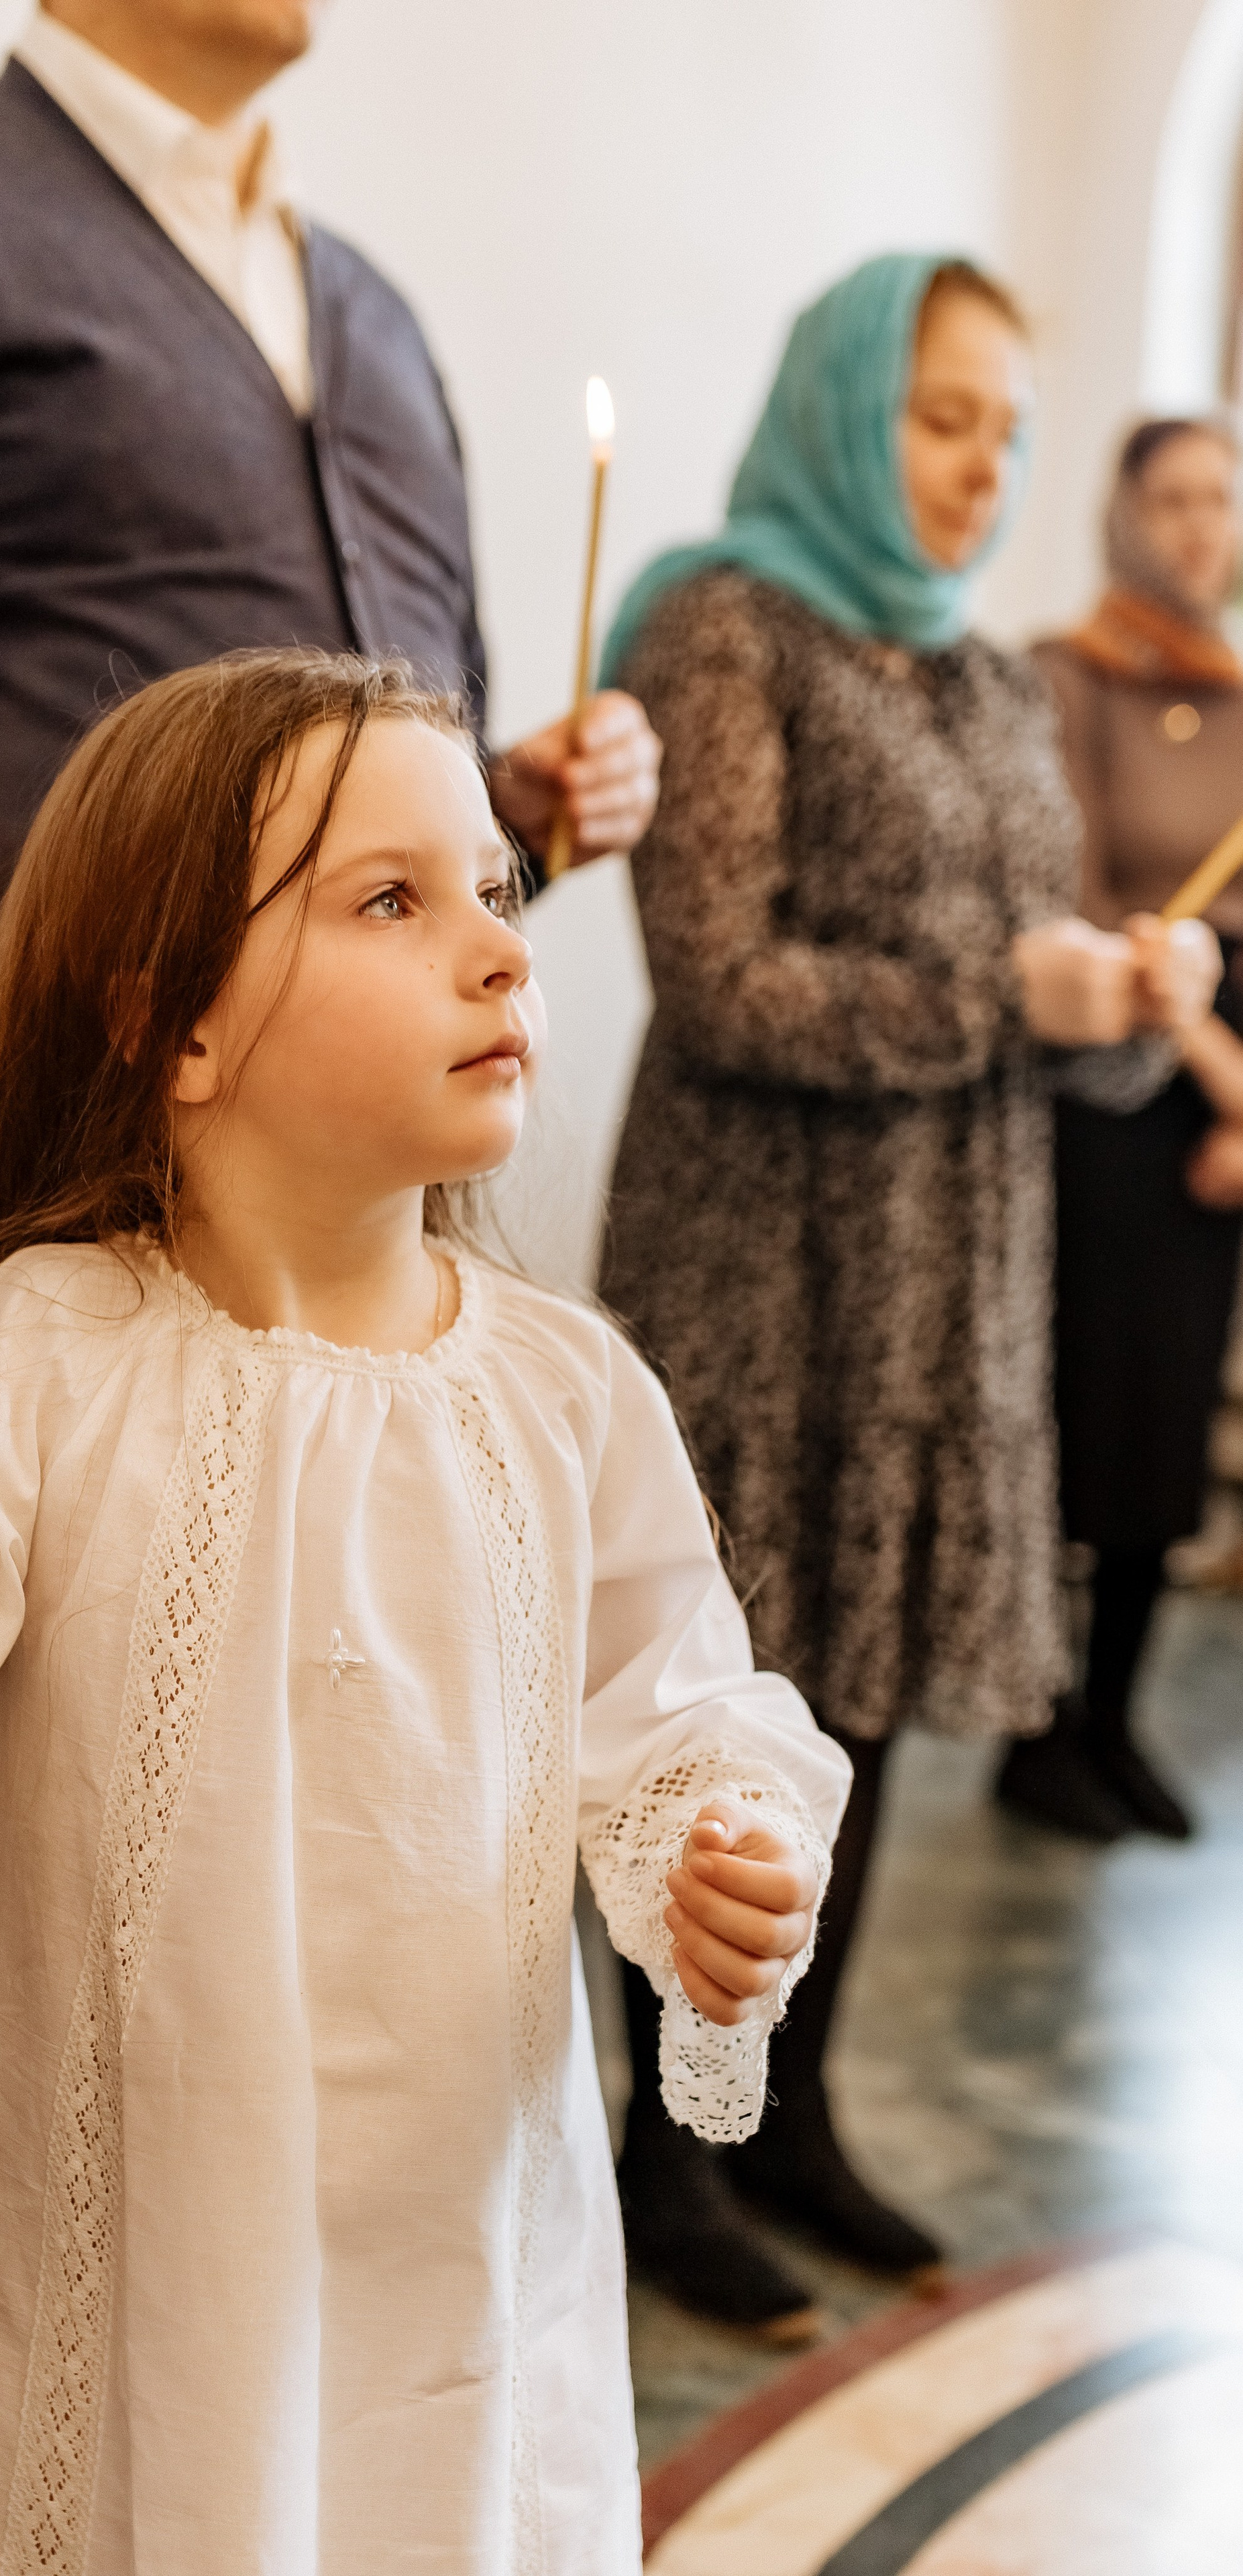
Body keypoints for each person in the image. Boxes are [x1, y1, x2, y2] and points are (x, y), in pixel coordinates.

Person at [0, 0, 663, 2470]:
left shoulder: (379, 309)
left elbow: (373, 745)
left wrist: (508, 809)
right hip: (30, 1194)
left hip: (321, 1222)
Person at [0, 649, 845, 2573]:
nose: (500, 951)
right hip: (134, 2272)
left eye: (497, 893)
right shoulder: (34, 1363)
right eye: (392, 899)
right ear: (175, 1026)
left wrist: (723, 1852)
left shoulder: (568, 1387)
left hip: (459, 2252)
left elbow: (679, 1705)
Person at [594, 256, 1220, 2342]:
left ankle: (782, 2112)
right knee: (718, 1717)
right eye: (945, 414)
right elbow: (722, 979)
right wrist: (1005, 995)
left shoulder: (972, 674)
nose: (981, 465)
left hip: (947, 1281)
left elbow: (1045, 986)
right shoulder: (722, 628)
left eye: (1011, 429)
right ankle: (657, 2157)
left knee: (848, 1704)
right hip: (766, 1269)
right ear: (846, 402)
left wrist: (1137, 1000)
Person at [1001, 419, 1243, 1843]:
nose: (1198, 524)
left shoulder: (1236, 691)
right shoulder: (1063, 675)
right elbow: (1079, 906)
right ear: (1119, 513)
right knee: (1072, 1416)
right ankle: (1030, 1730)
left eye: (1219, 498)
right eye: (1172, 496)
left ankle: (1111, 1716)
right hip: (1107, 1105)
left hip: (1215, 1122)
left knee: (1159, 1440)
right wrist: (1223, 1078)